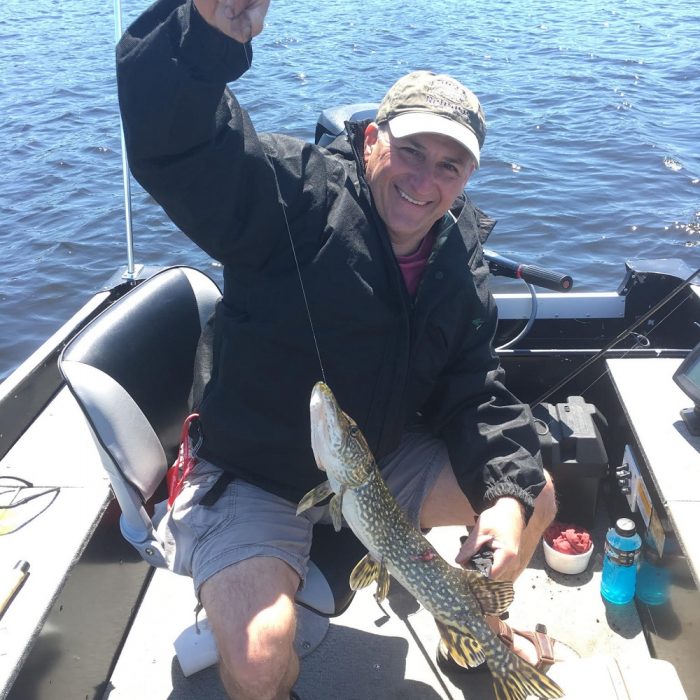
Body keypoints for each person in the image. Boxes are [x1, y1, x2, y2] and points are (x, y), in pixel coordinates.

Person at [116, 1, 560, 698]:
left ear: (468, 176)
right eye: (410, 150)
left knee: (532, 496)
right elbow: (183, 150)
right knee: (261, 659)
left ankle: (473, 623)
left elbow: (474, 391)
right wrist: (205, 40)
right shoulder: (293, 197)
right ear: (373, 139)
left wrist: (503, 497)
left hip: (371, 466)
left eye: (449, 165)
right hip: (253, 472)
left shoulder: (457, 256)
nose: (424, 180)